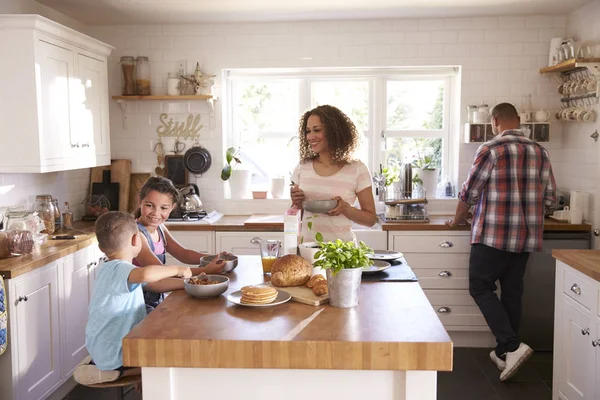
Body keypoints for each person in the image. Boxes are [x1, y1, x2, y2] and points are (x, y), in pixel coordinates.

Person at [446, 103, 556, 381]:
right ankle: (506, 354)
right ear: (518, 120)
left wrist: (458, 218)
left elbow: (469, 191)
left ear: (494, 121)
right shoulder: (539, 151)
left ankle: (512, 345)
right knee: (512, 291)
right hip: (526, 235)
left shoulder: (491, 149)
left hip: (493, 234)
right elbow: (551, 200)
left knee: (479, 286)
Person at [74, 211, 192, 385]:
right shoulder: (119, 269)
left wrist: (189, 284)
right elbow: (146, 274)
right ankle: (110, 372)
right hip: (114, 352)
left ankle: (120, 371)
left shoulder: (115, 271)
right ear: (136, 240)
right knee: (173, 358)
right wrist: (177, 270)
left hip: (107, 347)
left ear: (101, 248)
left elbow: (156, 284)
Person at [133, 176, 225, 311]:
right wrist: (205, 270)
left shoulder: (160, 228)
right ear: (139, 201)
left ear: (172, 208)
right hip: (138, 305)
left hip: (156, 299)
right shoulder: (137, 234)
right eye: (149, 205)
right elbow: (162, 272)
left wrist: (214, 258)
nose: (156, 213)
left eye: (164, 208)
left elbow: (183, 253)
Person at [290, 105, 377, 243]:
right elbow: (295, 216)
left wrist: (345, 208)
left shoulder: (357, 169)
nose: (310, 136)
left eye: (317, 130)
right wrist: (296, 203)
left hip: (341, 253)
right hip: (307, 250)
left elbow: (370, 220)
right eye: (308, 131)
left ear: (334, 131)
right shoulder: (302, 167)